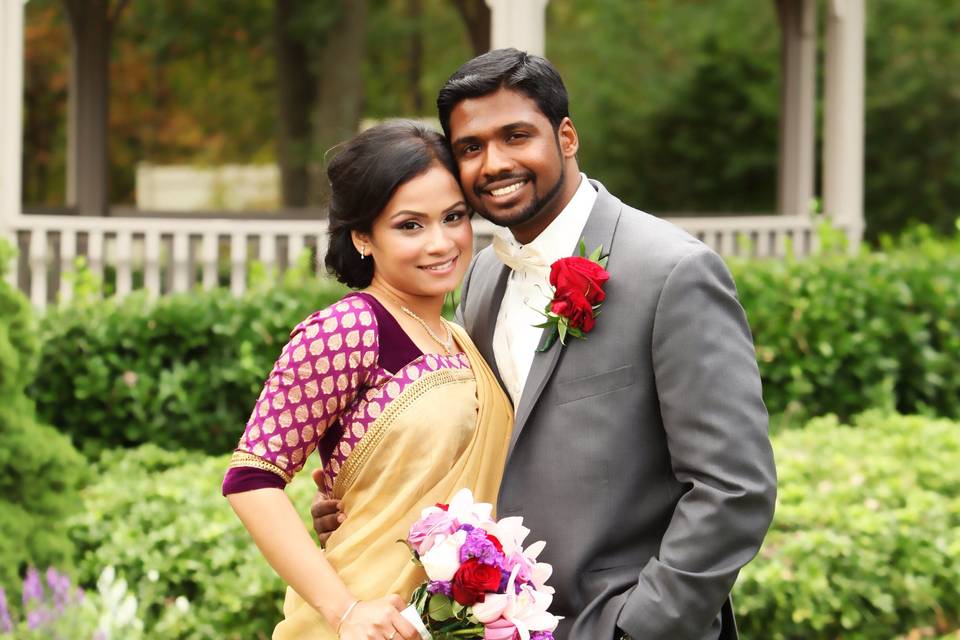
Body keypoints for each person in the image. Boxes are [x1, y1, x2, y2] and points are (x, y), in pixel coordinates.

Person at [312, 49, 777, 640]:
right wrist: (370, 499)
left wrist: (637, 628)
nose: (495, 163)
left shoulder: (672, 272)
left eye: (516, 136)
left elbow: (734, 488)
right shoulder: (479, 278)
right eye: (471, 148)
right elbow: (478, 446)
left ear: (566, 136)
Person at [222, 120, 514, 640]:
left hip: (455, 619)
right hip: (366, 620)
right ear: (362, 236)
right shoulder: (350, 327)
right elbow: (251, 480)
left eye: (454, 217)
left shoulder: (462, 339)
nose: (441, 242)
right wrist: (347, 610)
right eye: (410, 225)